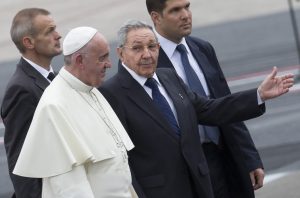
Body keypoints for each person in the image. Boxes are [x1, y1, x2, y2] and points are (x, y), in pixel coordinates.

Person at [99, 20, 294, 198]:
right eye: (137, 48)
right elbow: (121, 160)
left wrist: (258, 95)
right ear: (121, 53)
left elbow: (209, 109)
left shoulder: (169, 77)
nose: (147, 54)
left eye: (152, 46)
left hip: (200, 186)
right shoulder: (111, 93)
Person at [146, 0, 265, 197]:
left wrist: (249, 158)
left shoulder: (202, 48)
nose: (186, 15)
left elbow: (226, 104)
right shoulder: (148, 60)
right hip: (189, 168)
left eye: (187, 7)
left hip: (225, 157)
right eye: (175, 10)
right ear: (156, 17)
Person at [13, 26, 137, 198]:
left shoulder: (90, 89)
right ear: (79, 60)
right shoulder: (54, 106)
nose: (109, 64)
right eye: (102, 58)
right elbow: (68, 188)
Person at [0, 8, 62, 198]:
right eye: (49, 31)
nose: (58, 35)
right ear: (29, 42)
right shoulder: (21, 89)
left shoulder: (56, 78)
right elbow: (21, 162)